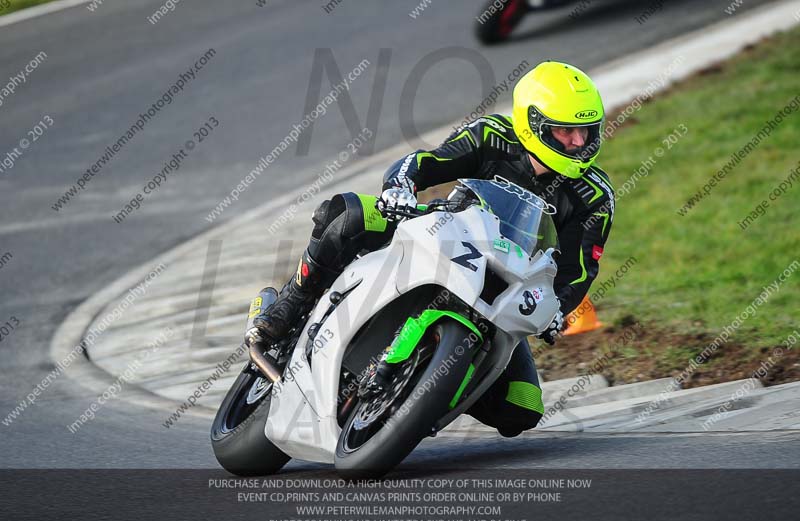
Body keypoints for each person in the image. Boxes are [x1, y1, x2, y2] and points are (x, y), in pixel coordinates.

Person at [249, 61, 614, 437]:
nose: (578, 143)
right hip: (441, 235)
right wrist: (400, 187)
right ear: (532, 123)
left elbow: (579, 271)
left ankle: (424, 398)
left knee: (522, 408)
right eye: (565, 131)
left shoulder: (596, 196)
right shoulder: (491, 135)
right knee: (345, 212)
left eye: (587, 131)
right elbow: (425, 162)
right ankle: (290, 303)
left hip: (501, 292)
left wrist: (559, 310)